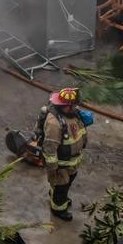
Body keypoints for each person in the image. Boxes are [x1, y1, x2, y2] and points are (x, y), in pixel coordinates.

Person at [41, 87, 88, 221]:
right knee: (61, 186)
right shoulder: (54, 123)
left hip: (72, 162)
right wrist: (53, 169)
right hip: (61, 165)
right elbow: (50, 148)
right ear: (65, 106)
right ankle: (58, 209)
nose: (76, 107)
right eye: (73, 105)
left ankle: (57, 195)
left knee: (66, 183)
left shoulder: (73, 114)